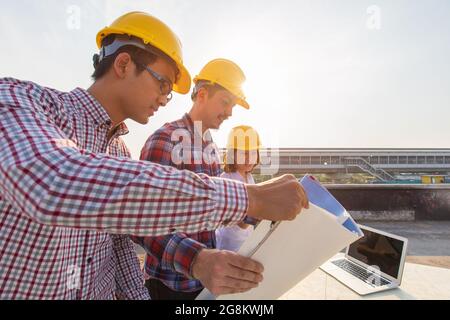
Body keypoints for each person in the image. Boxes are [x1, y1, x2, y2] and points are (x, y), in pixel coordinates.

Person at [0, 11, 309, 300]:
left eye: (170, 91)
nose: (165, 98)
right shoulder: (21, 100)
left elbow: (120, 246)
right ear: (122, 64)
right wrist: (248, 199)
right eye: (162, 83)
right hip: (170, 284)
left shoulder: (121, 153)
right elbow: (53, 182)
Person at [132, 59, 262, 299]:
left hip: (203, 281)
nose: (230, 112)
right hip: (171, 285)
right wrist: (197, 261)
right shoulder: (166, 140)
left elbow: (212, 210)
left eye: (233, 106)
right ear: (202, 94)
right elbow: (143, 222)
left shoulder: (211, 148)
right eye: (225, 102)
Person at [215, 125, 262, 252]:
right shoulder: (226, 179)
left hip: (247, 242)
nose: (249, 158)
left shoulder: (250, 178)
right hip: (229, 245)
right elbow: (234, 218)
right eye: (243, 153)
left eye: (253, 152)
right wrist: (260, 210)